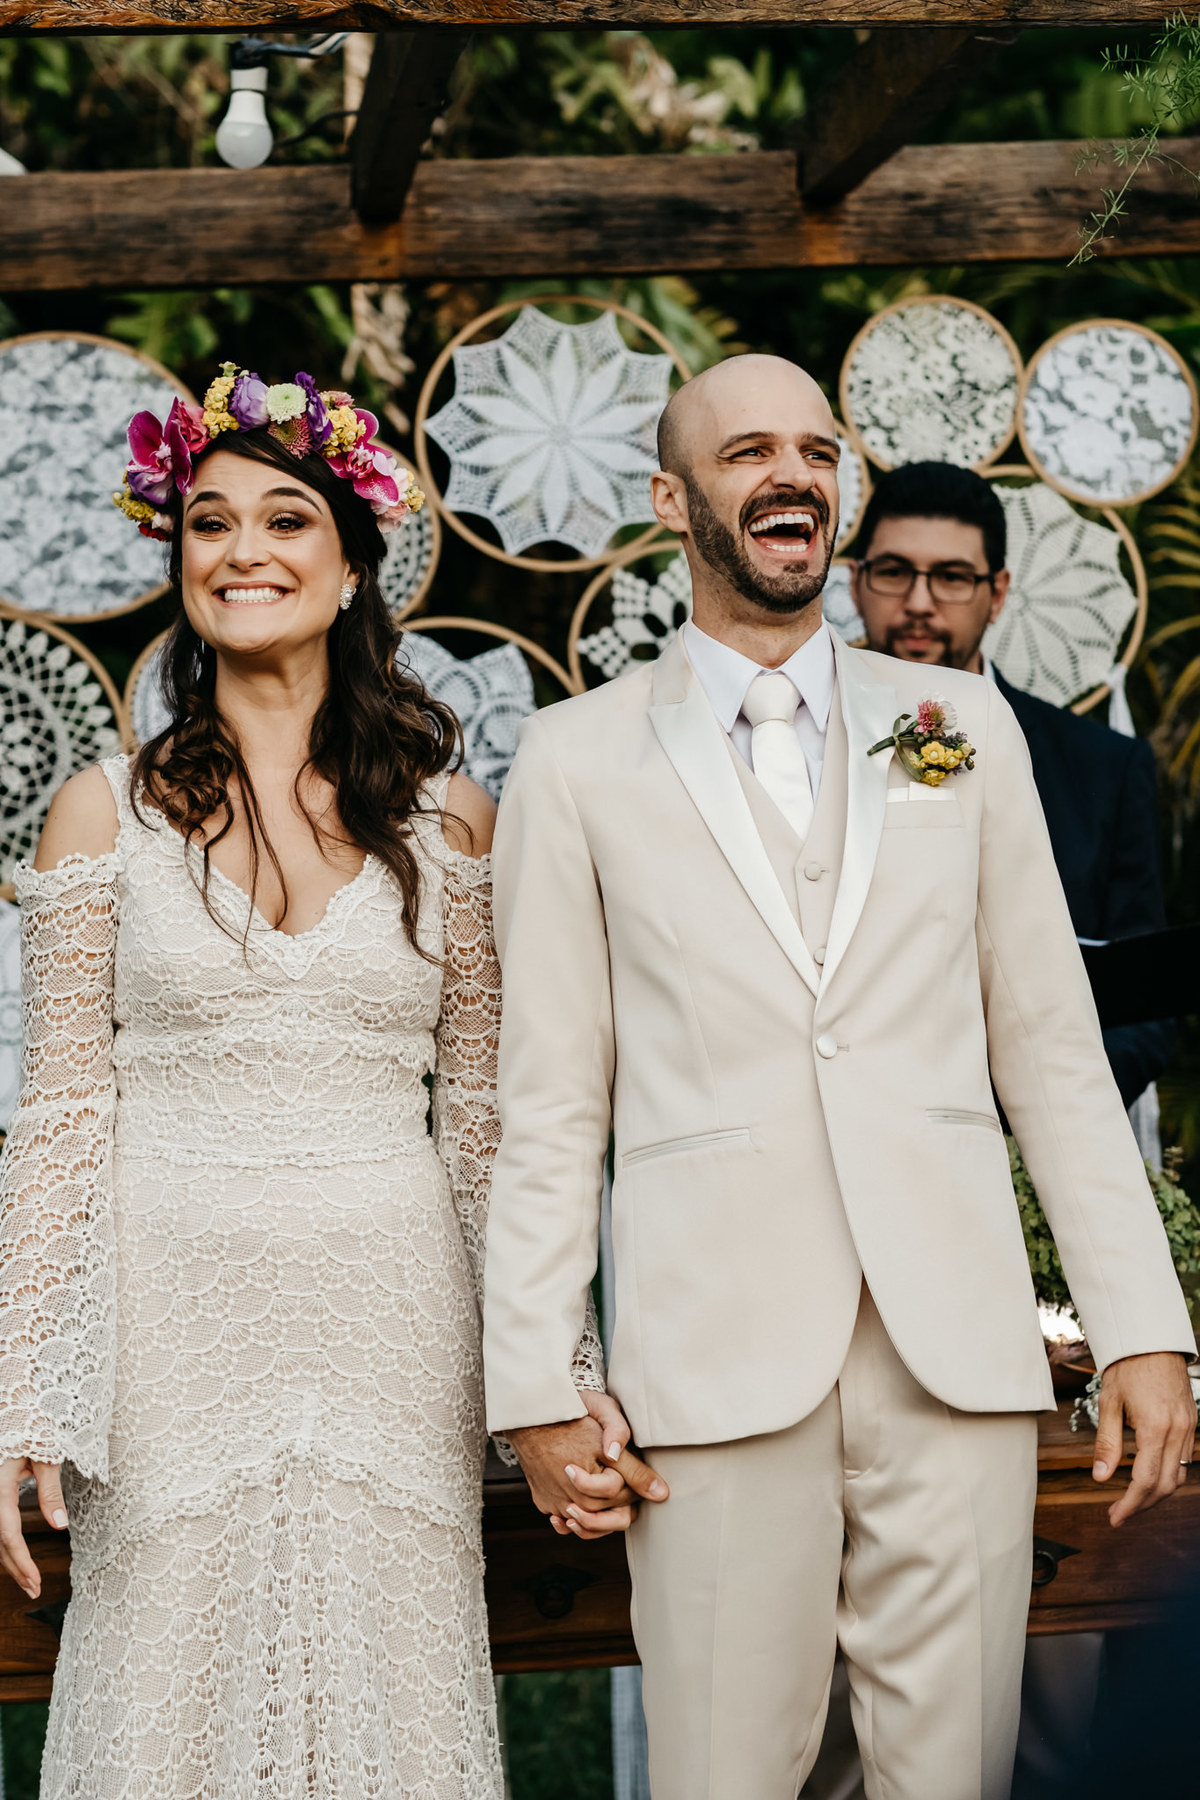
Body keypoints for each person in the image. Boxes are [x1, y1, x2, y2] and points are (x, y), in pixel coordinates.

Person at [481, 354, 1197, 1800]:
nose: (791, 474)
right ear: (675, 500)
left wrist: (1140, 1327)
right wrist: (537, 1380)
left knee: (956, 1779)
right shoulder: (574, 761)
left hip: (960, 1368)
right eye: (748, 451)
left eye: (815, 448)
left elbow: (1052, 1051)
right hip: (714, 1371)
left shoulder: (958, 729)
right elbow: (547, 1099)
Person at [0, 365, 644, 1798]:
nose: (243, 551)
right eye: (210, 521)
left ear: (350, 566)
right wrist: (26, 1390)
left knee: (385, 1692)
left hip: (387, 1315)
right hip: (166, 1321)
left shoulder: (455, 820)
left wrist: (556, 1374)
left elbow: (487, 1125)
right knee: (167, 1686)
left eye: (286, 520)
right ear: (180, 563)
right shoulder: (98, 811)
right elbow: (55, 1121)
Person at [850, 460, 1173, 1108]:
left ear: (997, 593)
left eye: (950, 577)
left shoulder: (1105, 771)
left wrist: (1015, 1113)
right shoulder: (788, 747)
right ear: (856, 583)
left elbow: (1147, 1012)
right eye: (893, 572)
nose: (918, 602)